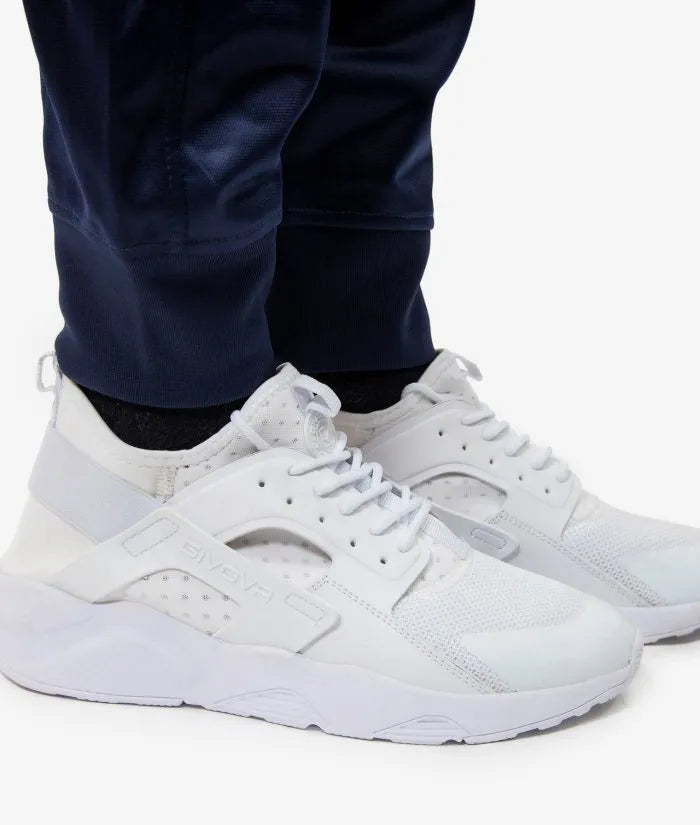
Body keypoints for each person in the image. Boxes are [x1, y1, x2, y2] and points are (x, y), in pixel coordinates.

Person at [0, 2, 696, 744]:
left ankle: (356, 382)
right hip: (153, 440)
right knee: (195, 33)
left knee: (379, 28)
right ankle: (163, 441)